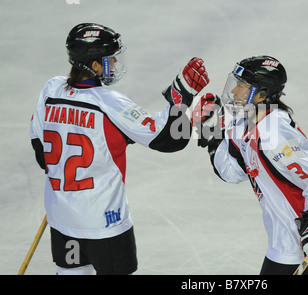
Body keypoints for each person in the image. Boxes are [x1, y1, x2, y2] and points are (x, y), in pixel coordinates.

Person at [29, 23, 209, 275]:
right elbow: (170, 140)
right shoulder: (110, 104)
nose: (114, 62)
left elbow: (41, 153)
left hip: (62, 220)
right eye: (109, 58)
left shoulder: (50, 90)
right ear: (94, 65)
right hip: (104, 224)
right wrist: (181, 99)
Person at [192, 55, 308, 275]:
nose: (234, 91)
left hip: (297, 245)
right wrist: (213, 135)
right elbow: (232, 172)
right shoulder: (248, 121)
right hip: (281, 240)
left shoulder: (273, 131)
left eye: (241, 85)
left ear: (262, 92)